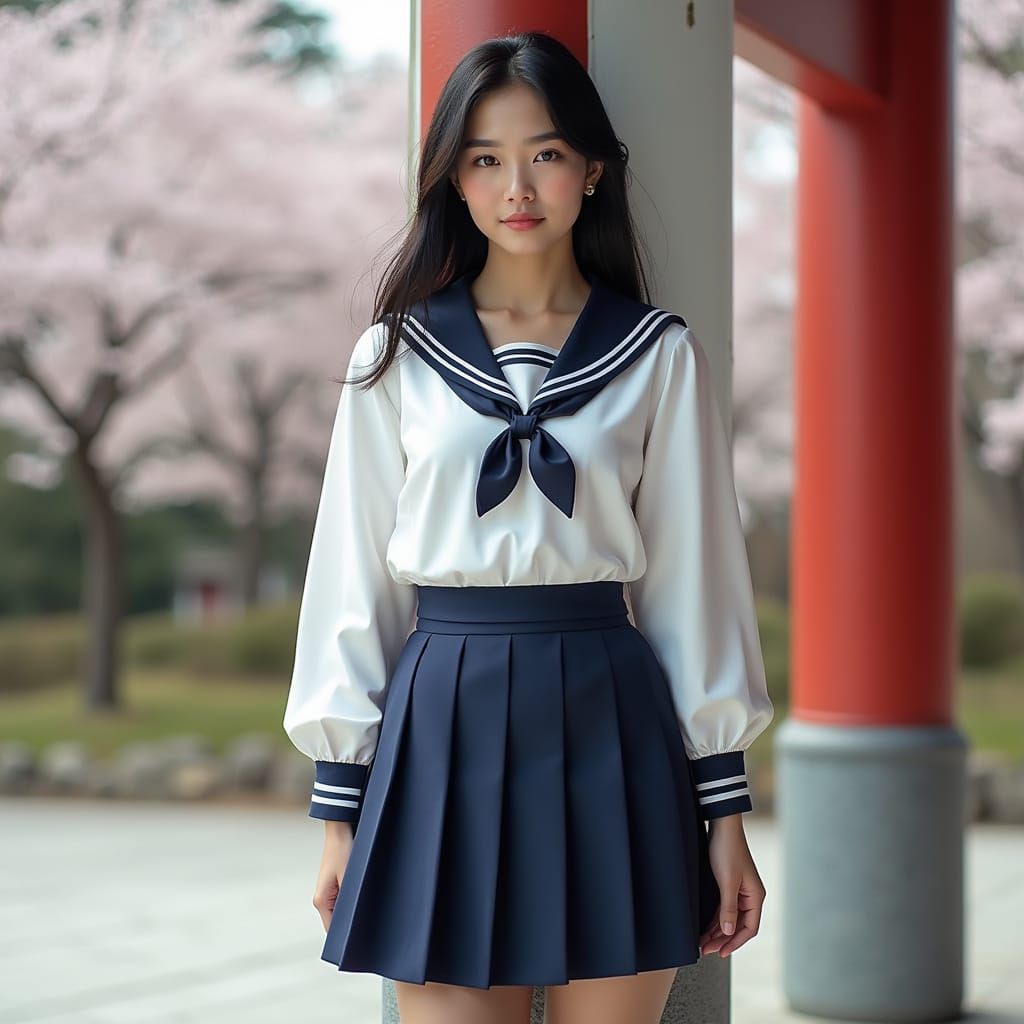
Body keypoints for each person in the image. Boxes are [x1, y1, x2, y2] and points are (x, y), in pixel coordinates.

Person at [282, 29, 775, 1024]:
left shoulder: (655, 356)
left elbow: (695, 585)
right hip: (440, 722)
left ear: (591, 170)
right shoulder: (395, 356)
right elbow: (352, 581)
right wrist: (341, 807)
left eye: (545, 154)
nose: (517, 186)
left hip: (612, 718)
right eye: (484, 158)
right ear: (450, 181)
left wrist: (722, 810)